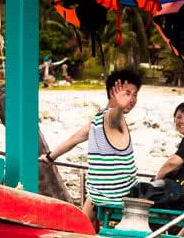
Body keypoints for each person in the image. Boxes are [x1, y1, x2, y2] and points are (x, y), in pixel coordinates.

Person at [42, 69, 142, 222]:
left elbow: (74, 139)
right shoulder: (111, 117)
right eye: (127, 93)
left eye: (135, 94)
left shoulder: (97, 119)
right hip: (116, 197)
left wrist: (50, 156)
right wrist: (119, 108)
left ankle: (81, 231)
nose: (132, 99)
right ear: (113, 91)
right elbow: (112, 118)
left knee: (86, 210)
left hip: (100, 193)